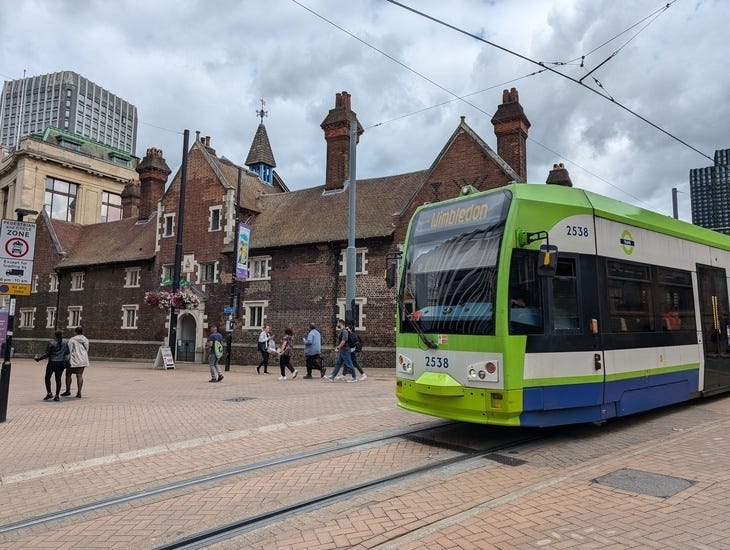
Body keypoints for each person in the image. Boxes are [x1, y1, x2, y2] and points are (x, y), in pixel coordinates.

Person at [34, 330, 69, 402]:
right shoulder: (65, 343)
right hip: (61, 363)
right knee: (58, 379)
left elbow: (47, 354)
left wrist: (39, 359)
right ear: (62, 335)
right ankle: (57, 396)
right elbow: (67, 353)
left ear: (55, 335)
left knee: (47, 377)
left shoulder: (51, 343)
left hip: (52, 363)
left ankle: (49, 393)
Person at [62, 326, 89, 398]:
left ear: (75, 332)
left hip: (74, 359)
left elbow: (69, 351)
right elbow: (87, 349)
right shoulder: (85, 339)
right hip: (83, 359)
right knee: (79, 375)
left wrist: (66, 359)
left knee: (68, 374)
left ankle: (68, 391)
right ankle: (79, 392)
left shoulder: (72, 340)